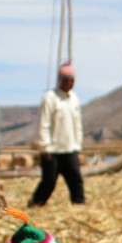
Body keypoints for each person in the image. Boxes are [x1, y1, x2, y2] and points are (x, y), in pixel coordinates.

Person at [32, 63, 85, 206]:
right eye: (66, 80)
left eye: (71, 81)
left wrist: (78, 144)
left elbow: (78, 124)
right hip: (53, 151)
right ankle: (37, 203)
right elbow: (44, 123)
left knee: (76, 180)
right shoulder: (50, 98)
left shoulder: (74, 99)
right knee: (49, 181)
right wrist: (45, 147)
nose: (69, 83)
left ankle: (79, 204)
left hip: (70, 148)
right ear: (59, 80)